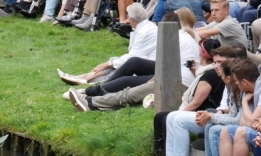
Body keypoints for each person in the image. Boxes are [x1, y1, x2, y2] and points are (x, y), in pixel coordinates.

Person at [69, 10, 200, 113]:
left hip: (175, 86)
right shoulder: (185, 36)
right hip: (179, 82)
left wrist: (152, 81)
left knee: (131, 93)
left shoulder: (174, 38)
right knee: (132, 80)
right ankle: (93, 96)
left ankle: (90, 102)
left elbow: (166, 68)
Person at [59, 2, 156, 88]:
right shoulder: (146, 27)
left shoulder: (144, 32)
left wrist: (107, 64)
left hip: (147, 68)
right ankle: (85, 77)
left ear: (132, 19)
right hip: (146, 63)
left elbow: (132, 58)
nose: (127, 20)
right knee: (114, 62)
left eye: (128, 17)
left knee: (117, 66)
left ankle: (89, 79)